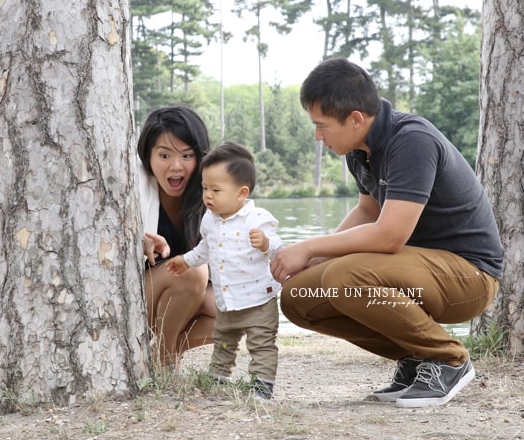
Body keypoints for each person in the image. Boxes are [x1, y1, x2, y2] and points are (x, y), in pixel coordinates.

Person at [271, 57, 504, 408]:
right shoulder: (359, 149)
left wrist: (310, 246)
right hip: (413, 270)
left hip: (468, 276)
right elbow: (368, 209)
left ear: (355, 119)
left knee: (342, 276)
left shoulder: (412, 141)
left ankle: (448, 360)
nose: (317, 137)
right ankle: (416, 359)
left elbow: (389, 235)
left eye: (322, 126)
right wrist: (312, 259)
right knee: (299, 296)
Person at [166, 142, 283, 399]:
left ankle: (262, 385)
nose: (208, 195)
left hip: (258, 299)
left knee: (261, 343)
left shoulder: (257, 218)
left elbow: (278, 247)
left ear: (241, 193)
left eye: (216, 190)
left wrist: (265, 243)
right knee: (223, 341)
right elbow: (204, 250)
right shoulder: (209, 220)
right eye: (205, 188)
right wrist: (186, 261)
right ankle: (218, 377)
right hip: (227, 298)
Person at [138, 106, 217, 366]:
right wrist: (137, 241)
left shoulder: (210, 195)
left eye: (186, 155)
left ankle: (163, 351)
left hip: (179, 304)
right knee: (190, 270)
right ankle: (166, 360)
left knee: (236, 311)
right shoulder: (132, 187)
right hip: (135, 303)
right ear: (147, 156)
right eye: (164, 155)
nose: (175, 166)